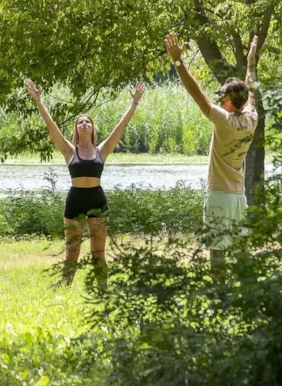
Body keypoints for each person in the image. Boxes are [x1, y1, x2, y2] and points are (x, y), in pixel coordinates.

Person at [26, 78, 145, 288]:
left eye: (87, 122)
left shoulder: (103, 149)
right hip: (75, 201)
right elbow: (51, 125)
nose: (83, 123)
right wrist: (38, 100)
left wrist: (134, 102)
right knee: (72, 250)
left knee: (98, 252)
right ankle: (65, 284)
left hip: (97, 200)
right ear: (76, 129)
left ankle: (102, 287)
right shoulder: (69, 150)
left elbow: (121, 126)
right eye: (80, 122)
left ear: (92, 128)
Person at [164, 32, 259, 281]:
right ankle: (250, 292)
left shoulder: (223, 120)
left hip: (218, 193)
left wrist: (177, 62)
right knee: (240, 249)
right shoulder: (252, 119)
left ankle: (221, 294)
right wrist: (250, 63)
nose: (219, 98)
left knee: (217, 249)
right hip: (239, 196)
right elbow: (251, 90)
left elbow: (196, 92)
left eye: (221, 96)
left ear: (227, 100)